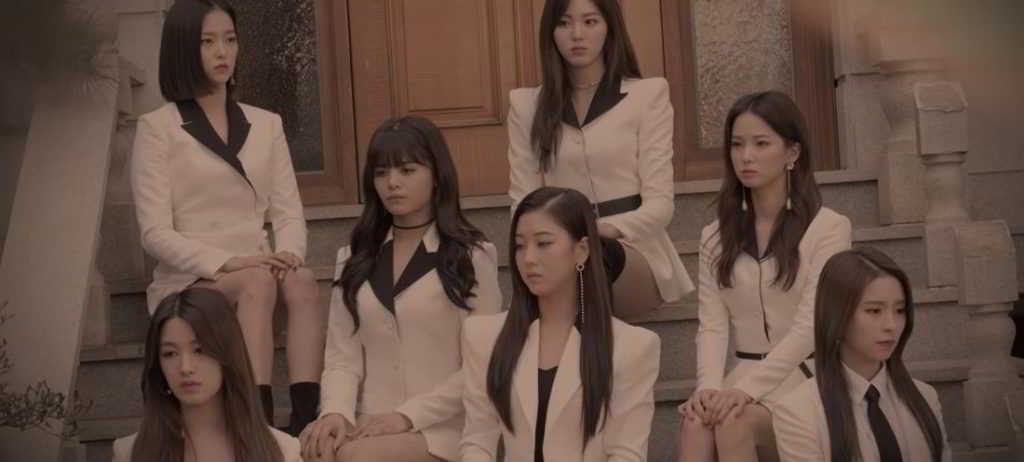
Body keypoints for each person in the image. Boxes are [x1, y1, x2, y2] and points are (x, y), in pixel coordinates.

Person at [130, 0, 324, 434]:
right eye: (208, 42)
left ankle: (306, 418)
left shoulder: (266, 124)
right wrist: (229, 262)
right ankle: (256, 421)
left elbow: (288, 211)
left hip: (258, 267)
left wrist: (290, 254)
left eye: (230, 39)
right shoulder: (158, 127)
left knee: (303, 280)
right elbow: (154, 232)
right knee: (256, 281)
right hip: (191, 279)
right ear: (183, 48)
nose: (223, 52)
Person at [298, 116, 502, 462]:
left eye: (407, 170)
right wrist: (335, 412)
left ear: (436, 175)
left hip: (443, 428)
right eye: (381, 173)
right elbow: (341, 358)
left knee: (355, 458)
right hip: (368, 424)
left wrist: (407, 416)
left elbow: (484, 366)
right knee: (314, 449)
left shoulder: (472, 257)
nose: (392, 183)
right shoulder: (353, 258)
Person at [678, 91, 852, 462]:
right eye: (737, 144)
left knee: (732, 421)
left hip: (806, 375)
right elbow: (712, 326)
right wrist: (708, 388)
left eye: (761, 143)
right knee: (696, 421)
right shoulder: (714, 236)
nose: (746, 156)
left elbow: (808, 327)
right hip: (741, 375)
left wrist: (745, 391)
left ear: (792, 153)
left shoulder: (829, 229)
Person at [506, 0, 693, 320]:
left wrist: (599, 231)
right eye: (564, 23)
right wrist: (553, 241)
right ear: (550, 32)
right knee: (564, 258)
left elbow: (661, 207)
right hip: (558, 250)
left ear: (610, 28)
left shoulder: (647, 95)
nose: (577, 34)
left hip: (631, 250)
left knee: (592, 254)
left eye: (590, 22)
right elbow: (522, 202)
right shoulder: (526, 105)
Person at [461, 186, 660, 462]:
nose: (528, 258)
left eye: (543, 243)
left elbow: (626, 453)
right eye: (520, 245)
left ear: (581, 251)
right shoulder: (484, 336)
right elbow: (477, 441)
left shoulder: (632, 347)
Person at [773, 247, 951, 462]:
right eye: (874, 310)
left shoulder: (925, 398)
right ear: (837, 314)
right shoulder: (798, 411)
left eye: (900, 310)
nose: (891, 325)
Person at [111, 288, 301, 462]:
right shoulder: (130, 453)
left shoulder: (282, 450)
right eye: (170, 354)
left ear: (227, 352)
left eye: (199, 350)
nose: (185, 367)